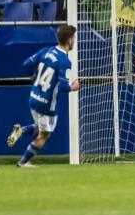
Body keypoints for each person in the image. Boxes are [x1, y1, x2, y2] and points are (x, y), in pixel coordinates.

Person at [6, 26, 80, 167]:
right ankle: (23, 162)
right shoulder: (65, 61)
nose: (74, 41)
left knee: (40, 127)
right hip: (47, 105)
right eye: (74, 38)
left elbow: (26, 64)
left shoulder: (46, 50)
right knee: (45, 134)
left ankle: (20, 131)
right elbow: (64, 87)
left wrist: (34, 78)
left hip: (34, 97)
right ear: (69, 40)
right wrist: (74, 87)